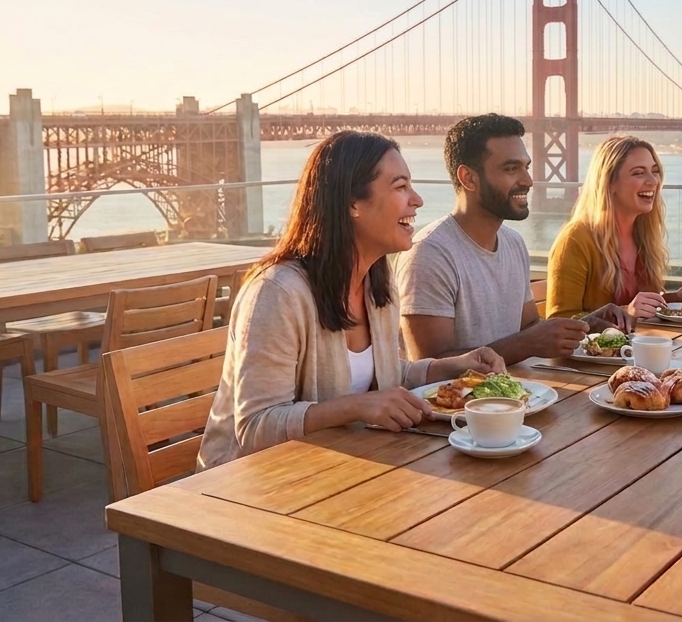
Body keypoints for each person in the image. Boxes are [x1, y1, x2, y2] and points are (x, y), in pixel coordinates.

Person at [198, 131, 505, 470]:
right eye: (401, 187)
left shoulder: (378, 278)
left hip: (336, 470)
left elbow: (384, 376)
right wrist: (357, 406)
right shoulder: (278, 293)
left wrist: (450, 367)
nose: (416, 200)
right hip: (244, 490)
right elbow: (255, 428)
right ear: (351, 203)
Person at [397, 114, 628, 365]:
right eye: (511, 169)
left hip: (522, 395)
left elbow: (529, 327)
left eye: (526, 167)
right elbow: (429, 364)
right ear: (468, 178)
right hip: (461, 404)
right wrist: (527, 344)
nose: (527, 181)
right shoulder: (430, 254)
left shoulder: (513, 243)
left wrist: (582, 326)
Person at [545, 135, 682, 323]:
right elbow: (558, 322)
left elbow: (640, 308)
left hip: (638, 347)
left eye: (655, 171)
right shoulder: (575, 239)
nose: (653, 181)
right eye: (639, 173)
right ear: (609, 183)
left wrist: (678, 298)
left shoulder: (642, 235)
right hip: (595, 352)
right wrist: (626, 312)